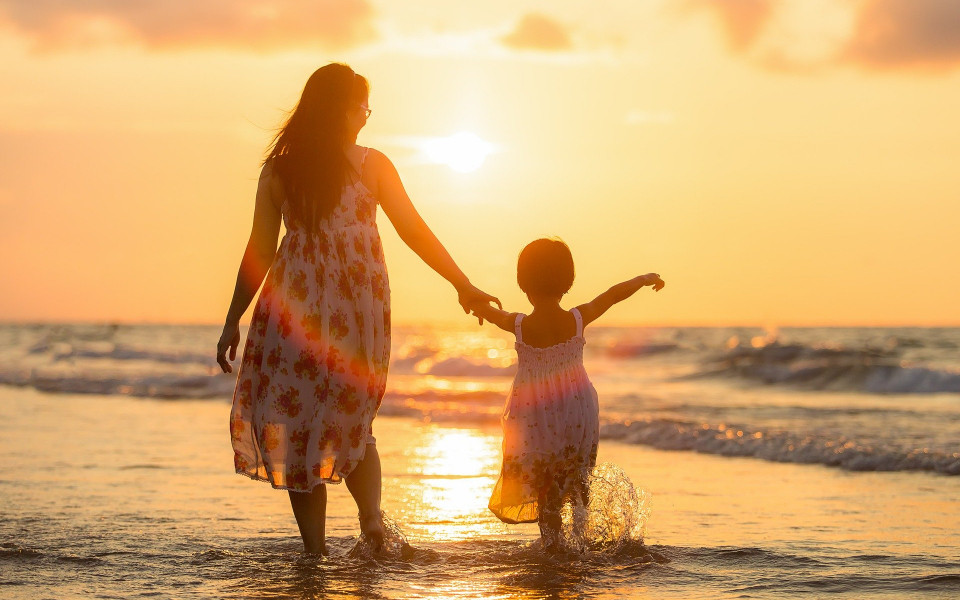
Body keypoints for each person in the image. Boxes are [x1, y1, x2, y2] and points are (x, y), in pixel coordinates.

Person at [215, 63, 498, 555]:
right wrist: (462, 284)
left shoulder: (281, 169)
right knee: (352, 418)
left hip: (294, 312)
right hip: (354, 310)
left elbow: (259, 250)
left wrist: (233, 318)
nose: (367, 116)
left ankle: (316, 553)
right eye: (363, 106)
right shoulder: (370, 164)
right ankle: (371, 527)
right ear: (342, 109)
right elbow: (413, 229)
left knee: (299, 424)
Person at [470, 238, 664, 547]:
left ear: (523, 283)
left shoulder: (519, 324)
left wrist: (473, 303)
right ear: (567, 282)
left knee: (546, 487)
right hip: (577, 409)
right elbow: (613, 295)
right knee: (577, 479)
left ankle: (554, 547)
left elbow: (490, 312)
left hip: (535, 415)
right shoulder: (577, 318)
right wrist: (643, 279)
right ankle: (581, 541)